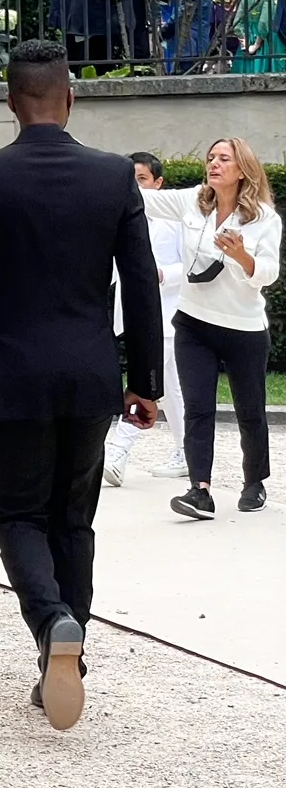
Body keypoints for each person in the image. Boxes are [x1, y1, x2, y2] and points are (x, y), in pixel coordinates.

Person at [0, 40, 163, 732]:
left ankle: (53, 621)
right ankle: (65, 660)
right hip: (92, 373)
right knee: (73, 520)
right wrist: (145, 380)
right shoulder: (114, 177)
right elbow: (141, 286)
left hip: (13, 375)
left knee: (18, 518)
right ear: (70, 97)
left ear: (9, 101)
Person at [139, 138, 281, 519]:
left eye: (223, 159)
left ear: (243, 168)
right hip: (194, 322)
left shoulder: (264, 218)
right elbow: (145, 200)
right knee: (197, 408)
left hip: (244, 327)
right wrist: (95, 169)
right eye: (210, 158)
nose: (214, 164)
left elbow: (268, 273)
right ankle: (199, 490)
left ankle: (254, 482)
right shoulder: (192, 202)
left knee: (249, 410)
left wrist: (241, 256)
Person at [103, 152, 188, 485]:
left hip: (169, 315)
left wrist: (162, 274)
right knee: (171, 390)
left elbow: (194, 265)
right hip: (135, 315)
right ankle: (188, 453)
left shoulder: (176, 220)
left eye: (142, 180)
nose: (137, 188)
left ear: (158, 183)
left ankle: (118, 450)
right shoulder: (119, 219)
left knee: (145, 385)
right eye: (132, 181)